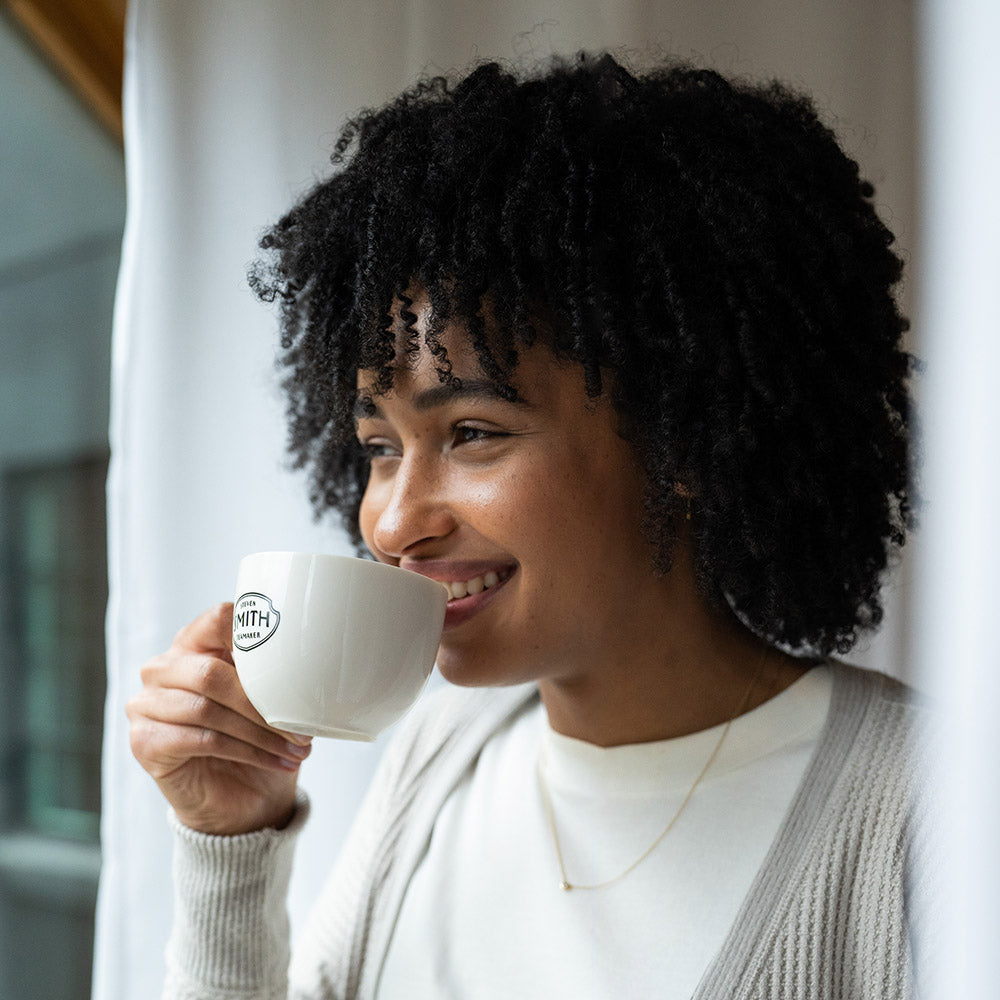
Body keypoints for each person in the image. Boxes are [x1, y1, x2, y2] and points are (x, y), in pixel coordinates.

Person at [127, 53, 932, 999]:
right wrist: (229, 842)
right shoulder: (446, 757)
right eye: (381, 446)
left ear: (682, 436)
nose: (391, 524)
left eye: (471, 433)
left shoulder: (927, 817)